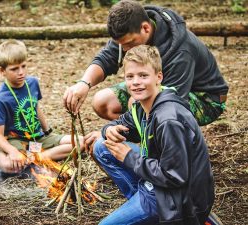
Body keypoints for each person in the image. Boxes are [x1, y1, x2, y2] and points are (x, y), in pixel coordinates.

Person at [63, 0, 228, 148]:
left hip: (205, 98)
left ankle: (158, 148)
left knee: (137, 100)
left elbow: (173, 102)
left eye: (129, 44)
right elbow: (106, 58)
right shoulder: (129, 33)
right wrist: (84, 83)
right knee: (102, 102)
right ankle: (143, 138)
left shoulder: (180, 50)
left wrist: (107, 132)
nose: (126, 50)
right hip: (156, 84)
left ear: (146, 28)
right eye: (121, 45)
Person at [92, 45, 215, 224]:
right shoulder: (144, 106)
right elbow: (119, 123)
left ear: (159, 77)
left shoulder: (168, 120)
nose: (135, 82)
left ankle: (156, 213)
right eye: (130, 76)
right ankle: (143, 209)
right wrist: (108, 130)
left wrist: (129, 157)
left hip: (179, 201)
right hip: (158, 184)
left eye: (143, 75)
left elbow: (175, 176)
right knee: (101, 147)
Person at [0, 40, 84, 173]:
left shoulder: (32, 83)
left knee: (80, 142)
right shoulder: (1, 99)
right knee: (10, 167)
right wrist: (12, 151)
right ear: (2, 71)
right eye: (14, 69)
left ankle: (39, 157)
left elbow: (35, 107)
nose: (21, 72)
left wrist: (47, 130)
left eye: (23, 66)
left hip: (37, 137)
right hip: (16, 141)